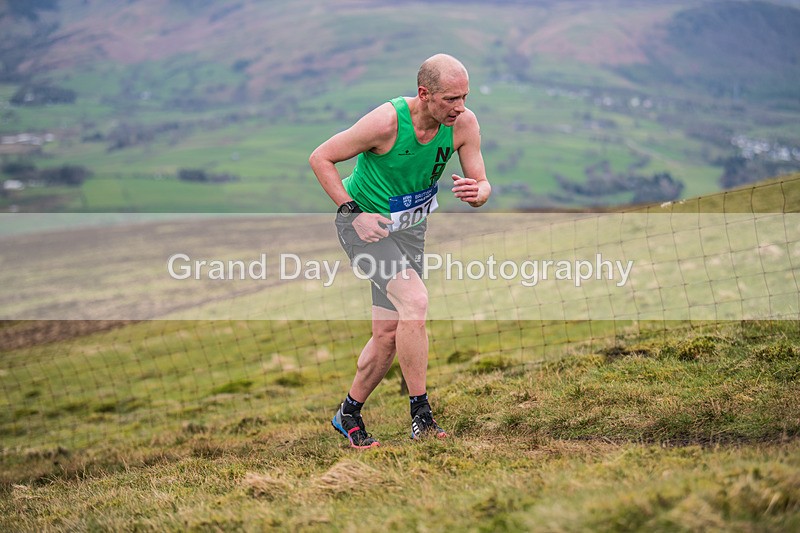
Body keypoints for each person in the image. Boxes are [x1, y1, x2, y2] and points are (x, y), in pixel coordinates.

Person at [309, 53, 491, 448]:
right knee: (416, 302)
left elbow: (481, 182)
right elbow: (320, 157)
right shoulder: (386, 122)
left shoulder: (464, 123)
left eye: (464, 97)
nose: (460, 107)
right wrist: (353, 213)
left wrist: (479, 192)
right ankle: (422, 416)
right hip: (365, 229)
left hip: (409, 230)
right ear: (424, 94)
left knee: (388, 334)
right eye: (450, 99)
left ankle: (349, 413)